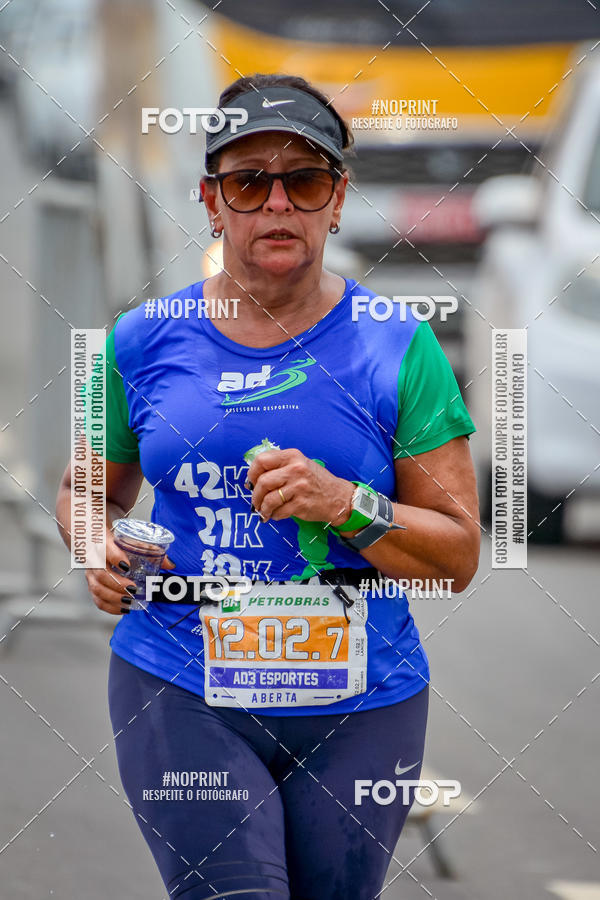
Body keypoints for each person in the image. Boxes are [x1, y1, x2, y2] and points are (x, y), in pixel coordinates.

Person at [56, 73, 480, 900]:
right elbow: (85, 490)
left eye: (305, 181)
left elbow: (457, 555)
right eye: (250, 182)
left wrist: (345, 504)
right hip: (181, 682)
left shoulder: (399, 345)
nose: (278, 204)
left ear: (337, 199)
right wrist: (93, 545)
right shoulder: (140, 339)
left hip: (363, 700)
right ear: (212, 202)